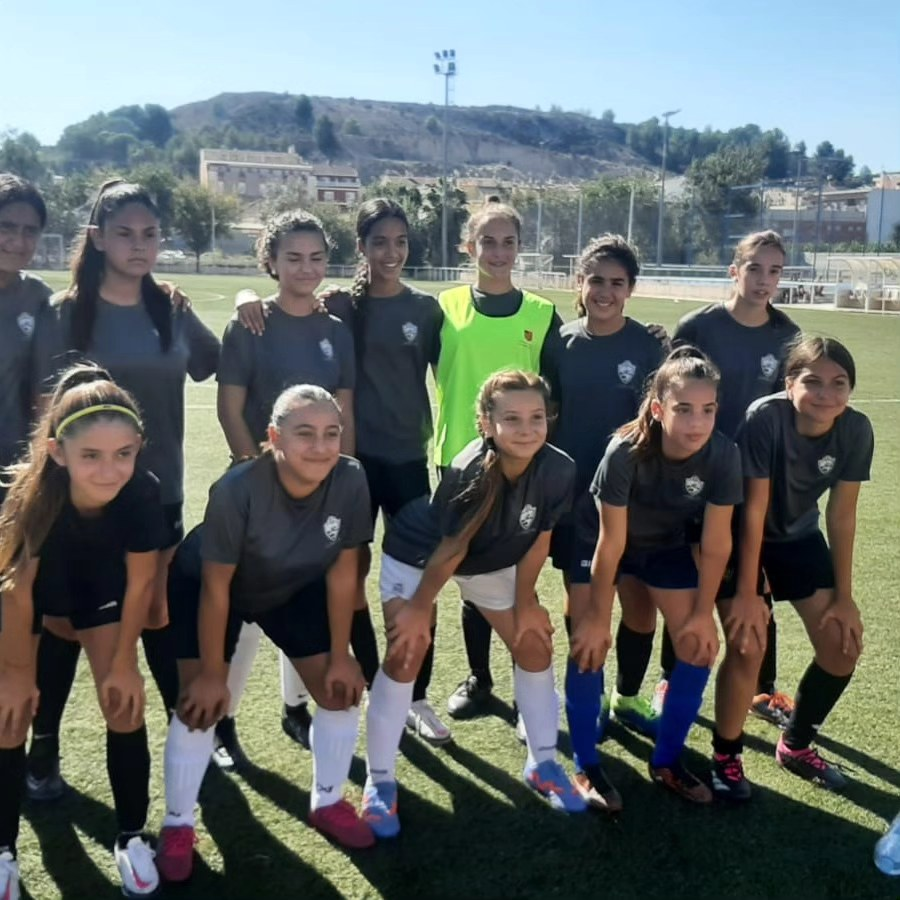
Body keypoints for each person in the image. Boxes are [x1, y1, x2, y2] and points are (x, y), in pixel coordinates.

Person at [231, 199, 448, 753]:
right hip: (320, 466)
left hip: (396, 462)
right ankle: (345, 692)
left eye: (400, 242)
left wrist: (342, 468)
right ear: (361, 248)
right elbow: (239, 392)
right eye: (379, 242)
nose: (391, 252)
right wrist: (244, 295)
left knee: (413, 576)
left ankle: (411, 694)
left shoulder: (416, 311)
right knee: (330, 577)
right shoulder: (341, 307)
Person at [28, 179, 220, 799]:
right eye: (124, 234)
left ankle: (193, 735)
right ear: (97, 239)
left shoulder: (171, 306)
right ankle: (43, 747)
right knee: (60, 620)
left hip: (155, 495)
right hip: (76, 501)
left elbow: (220, 361)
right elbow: (42, 410)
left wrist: (251, 300)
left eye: (150, 234)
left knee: (156, 611)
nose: (139, 246)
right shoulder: (65, 312)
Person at [157, 385, 375, 883]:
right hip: (210, 586)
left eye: (331, 433)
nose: (320, 447)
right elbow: (216, 587)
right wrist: (214, 674)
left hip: (290, 585)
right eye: (305, 434)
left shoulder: (351, 477)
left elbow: (344, 573)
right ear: (274, 437)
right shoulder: (238, 488)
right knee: (199, 704)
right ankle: (177, 826)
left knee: (339, 691)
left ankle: (327, 802)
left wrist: (341, 654)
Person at [364, 369, 585, 836]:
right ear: (486, 423)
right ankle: (379, 780)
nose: (526, 429)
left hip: (485, 558)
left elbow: (540, 539)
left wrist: (526, 600)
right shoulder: (470, 468)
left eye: (536, 417)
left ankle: (542, 763)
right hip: (421, 557)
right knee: (406, 651)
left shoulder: (559, 467)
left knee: (534, 644)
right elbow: (450, 549)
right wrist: (421, 605)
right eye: (511, 419)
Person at [0, 365, 167, 898]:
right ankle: (4, 849)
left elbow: (140, 583)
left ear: (138, 447)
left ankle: (132, 837)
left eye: (123, 454)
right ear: (56, 451)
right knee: (9, 714)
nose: (108, 470)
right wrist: (18, 676)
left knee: (124, 702)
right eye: (90, 456)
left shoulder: (142, 492)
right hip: (32, 597)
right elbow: (16, 593)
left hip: (102, 591)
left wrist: (123, 662)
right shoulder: (29, 498)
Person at [214, 208, 367, 767]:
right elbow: (230, 405)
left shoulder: (335, 329)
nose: (306, 268)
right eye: (292, 257)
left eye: (316, 257)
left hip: (320, 489)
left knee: (305, 592)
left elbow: (343, 410)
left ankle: (294, 709)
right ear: (271, 262)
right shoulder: (249, 322)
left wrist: (340, 478)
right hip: (259, 489)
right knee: (247, 610)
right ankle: (221, 723)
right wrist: (249, 468)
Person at [650, 231, 801, 728]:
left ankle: (762, 688)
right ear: (733, 271)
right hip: (696, 476)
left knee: (755, 581)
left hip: (754, 480)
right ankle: (671, 676)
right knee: (692, 580)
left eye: (774, 271)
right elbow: (672, 390)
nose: (764, 280)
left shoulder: (788, 335)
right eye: (755, 268)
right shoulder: (699, 325)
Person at [711, 336, 871, 798]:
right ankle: (727, 755)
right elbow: (754, 509)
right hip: (743, 533)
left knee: (843, 646)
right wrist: (747, 588)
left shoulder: (856, 429)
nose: (826, 394)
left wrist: (844, 597)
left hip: (799, 538)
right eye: (813, 381)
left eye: (839, 383)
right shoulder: (766, 417)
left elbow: (841, 517)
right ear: (789, 384)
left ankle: (795, 744)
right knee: (747, 641)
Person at [540, 234, 666, 808]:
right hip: (574, 499)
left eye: (618, 282)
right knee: (583, 606)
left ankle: (629, 696)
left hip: (633, 498)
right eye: (596, 280)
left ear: (631, 289)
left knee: (637, 603)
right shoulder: (559, 342)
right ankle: (584, 708)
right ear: (579, 284)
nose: (606, 292)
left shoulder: (649, 348)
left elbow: (660, 422)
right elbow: (551, 412)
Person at [588, 347, 741, 804]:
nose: (697, 422)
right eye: (684, 409)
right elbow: (609, 544)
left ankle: (668, 761)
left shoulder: (723, 454)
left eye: (708, 410)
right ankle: (594, 736)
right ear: (658, 409)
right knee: (605, 626)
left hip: (665, 548)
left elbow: (716, 543)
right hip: (610, 543)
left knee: (698, 645)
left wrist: (699, 613)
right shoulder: (624, 451)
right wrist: (596, 613)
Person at [436, 199, 564, 721]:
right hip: (459, 463)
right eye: (487, 241)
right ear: (469, 247)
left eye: (508, 241)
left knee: (516, 574)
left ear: (519, 247)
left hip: (522, 466)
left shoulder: (540, 313)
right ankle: (480, 679)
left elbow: (558, 389)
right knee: (471, 575)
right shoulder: (444, 308)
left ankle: (525, 682)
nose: (498, 251)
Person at [0, 174, 51, 476]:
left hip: (17, 470)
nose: (18, 242)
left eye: (30, 231)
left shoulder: (38, 297)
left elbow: (45, 394)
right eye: (6, 227)